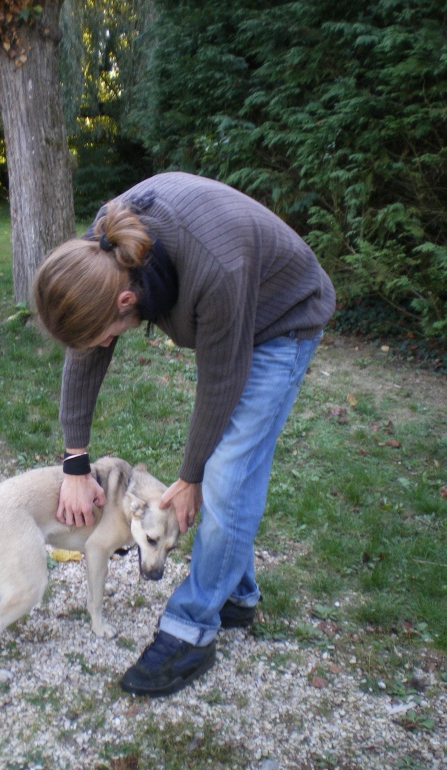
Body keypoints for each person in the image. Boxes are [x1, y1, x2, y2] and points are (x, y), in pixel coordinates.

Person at [33, 172, 336, 697]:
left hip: (281, 320)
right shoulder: (101, 247)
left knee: (225, 474)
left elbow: (222, 381)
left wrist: (191, 476)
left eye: (104, 333)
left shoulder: (215, 269)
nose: (100, 345)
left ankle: (191, 630)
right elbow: (84, 355)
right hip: (231, 309)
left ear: (126, 301)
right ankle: (236, 595)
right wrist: (75, 463)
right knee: (229, 475)